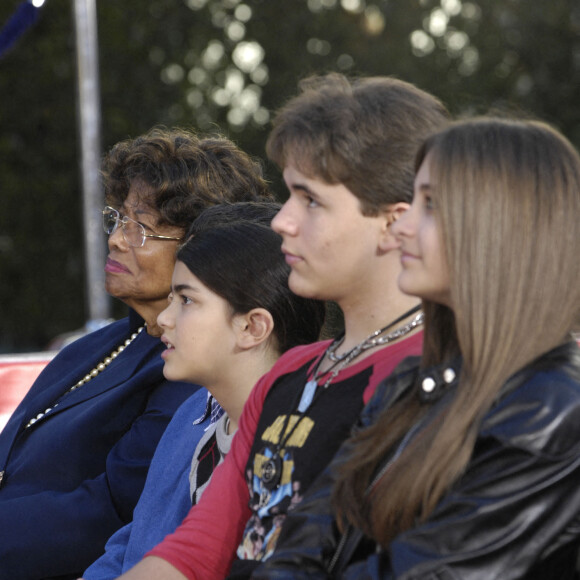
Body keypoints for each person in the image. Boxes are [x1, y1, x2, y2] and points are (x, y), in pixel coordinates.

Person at [116, 73, 450, 580]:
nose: (282, 221)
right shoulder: (291, 373)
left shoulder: (443, 381)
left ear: (393, 222)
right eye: (289, 195)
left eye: (310, 200)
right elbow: (195, 549)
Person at [253, 117, 580, 579]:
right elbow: (309, 537)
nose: (400, 227)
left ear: (499, 228)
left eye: (430, 205)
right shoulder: (412, 383)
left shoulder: (551, 411)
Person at [0, 127, 272, 580]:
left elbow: (113, 511)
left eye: (140, 228)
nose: (116, 240)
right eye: (118, 218)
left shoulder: (195, 370)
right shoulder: (98, 344)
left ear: (203, 247)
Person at [82, 202, 325, 579]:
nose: (164, 319)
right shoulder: (192, 418)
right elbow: (134, 541)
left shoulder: (297, 445)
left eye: (187, 300)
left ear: (252, 327)